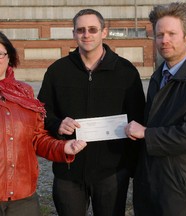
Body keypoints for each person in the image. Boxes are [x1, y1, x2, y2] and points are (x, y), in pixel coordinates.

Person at [37, 8, 145, 216]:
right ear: (74, 34)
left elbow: (138, 117)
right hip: (68, 171)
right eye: (81, 30)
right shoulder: (57, 71)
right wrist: (56, 123)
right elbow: (41, 112)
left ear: (104, 32)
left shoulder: (126, 71)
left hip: (112, 173)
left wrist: (130, 167)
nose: (86, 34)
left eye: (93, 29)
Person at [124, 2, 186, 216]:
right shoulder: (158, 76)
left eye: (171, 33)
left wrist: (146, 133)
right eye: (159, 35)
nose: (164, 40)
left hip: (185, 191)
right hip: (154, 184)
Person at [0, 31, 87, 216]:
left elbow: (37, 139)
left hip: (23, 199)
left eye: (0, 53)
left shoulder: (24, 93)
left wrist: (63, 147)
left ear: (9, 56)